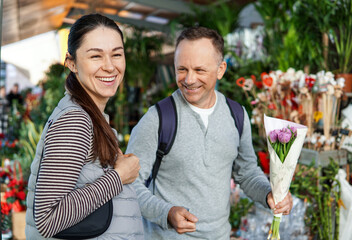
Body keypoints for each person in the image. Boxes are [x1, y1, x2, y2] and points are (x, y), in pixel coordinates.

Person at [126, 26, 293, 239]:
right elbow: (129, 185)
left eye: (200, 70)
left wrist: (269, 194)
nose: (189, 79)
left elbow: (247, 171)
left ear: (221, 69)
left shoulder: (237, 115)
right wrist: (166, 213)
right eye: (182, 69)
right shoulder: (158, 118)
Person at [25, 14, 144, 239]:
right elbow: (48, 218)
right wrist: (119, 176)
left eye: (117, 54)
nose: (110, 66)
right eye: (96, 56)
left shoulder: (90, 116)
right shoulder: (75, 121)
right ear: (72, 63)